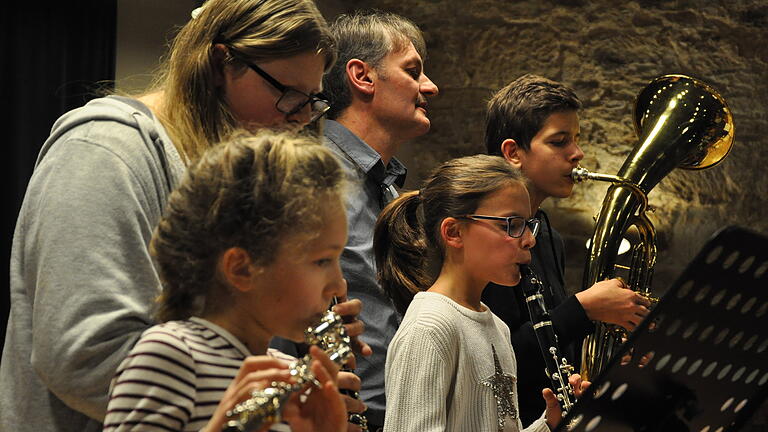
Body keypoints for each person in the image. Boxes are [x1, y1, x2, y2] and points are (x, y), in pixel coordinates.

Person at [1, 1, 366, 431]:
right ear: (219, 63)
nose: (300, 118)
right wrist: (282, 393)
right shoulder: (104, 150)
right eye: (287, 93)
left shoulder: (223, 171)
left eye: (311, 101)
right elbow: (86, 357)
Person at [103, 130, 353, 432]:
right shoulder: (170, 356)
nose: (338, 286)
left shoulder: (286, 370)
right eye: (322, 261)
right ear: (242, 269)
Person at [481, 74, 652, 425]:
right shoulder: (486, 234)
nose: (577, 153)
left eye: (576, 139)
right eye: (559, 142)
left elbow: (553, 353)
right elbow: (495, 360)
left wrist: (609, 359)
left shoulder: (547, 235)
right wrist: (584, 308)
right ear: (513, 153)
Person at [375, 154, 587, 431]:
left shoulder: (496, 326)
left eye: (528, 224)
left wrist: (550, 425)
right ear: (454, 232)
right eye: (510, 224)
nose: (530, 240)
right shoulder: (430, 327)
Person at [316, 10, 439, 430]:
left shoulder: (388, 184)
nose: (430, 87)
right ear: (363, 77)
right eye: (413, 71)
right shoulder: (314, 172)